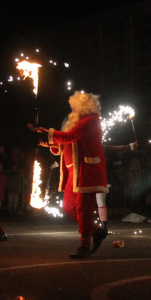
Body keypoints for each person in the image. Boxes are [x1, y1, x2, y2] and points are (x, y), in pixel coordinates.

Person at [31, 92, 108, 258]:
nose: (72, 109)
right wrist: (49, 141)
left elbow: (70, 137)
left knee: (83, 209)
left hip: (86, 170)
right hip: (74, 171)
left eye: (75, 106)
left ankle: (84, 245)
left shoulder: (92, 120)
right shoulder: (76, 122)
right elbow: (67, 143)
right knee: (68, 207)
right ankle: (96, 231)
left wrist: (47, 131)